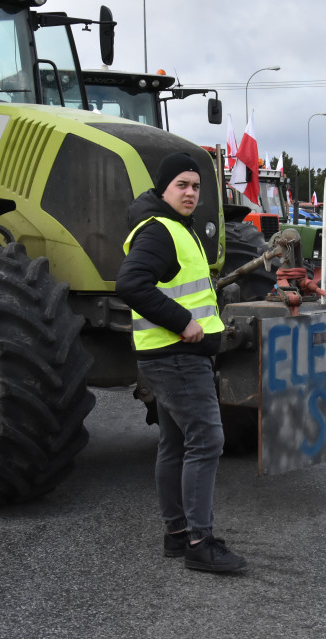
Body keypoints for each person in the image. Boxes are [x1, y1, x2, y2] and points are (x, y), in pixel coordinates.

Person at [117, 152, 246, 573]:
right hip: (176, 356)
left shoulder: (173, 227)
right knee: (207, 440)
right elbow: (131, 284)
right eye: (182, 185)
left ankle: (177, 535)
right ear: (164, 188)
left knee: (175, 444)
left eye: (195, 186)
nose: (191, 193)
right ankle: (199, 541)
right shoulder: (159, 231)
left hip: (170, 355)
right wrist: (182, 322)